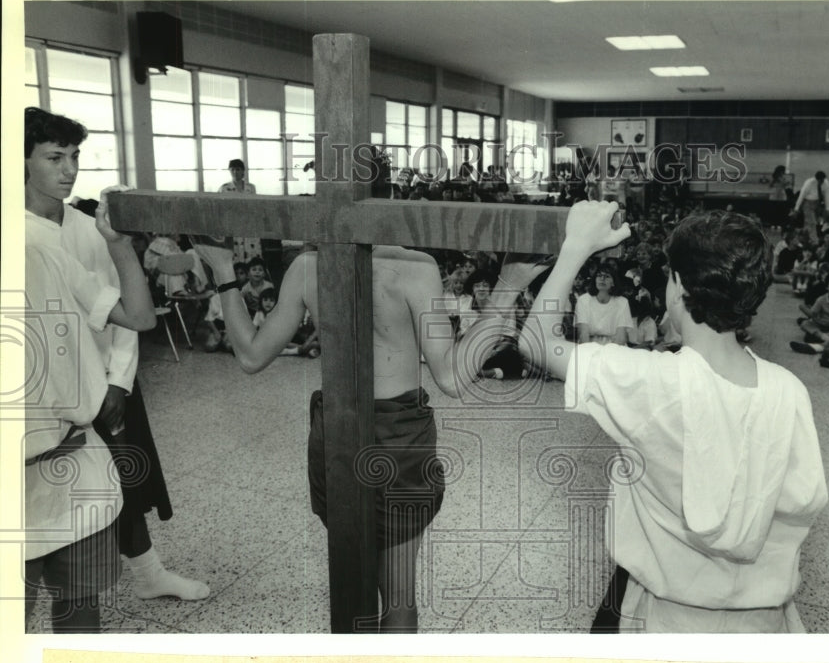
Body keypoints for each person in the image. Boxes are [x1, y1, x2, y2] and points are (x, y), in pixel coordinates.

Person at [193, 174, 546, 632]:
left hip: (337, 434)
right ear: (390, 203)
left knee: (353, 582)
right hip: (398, 439)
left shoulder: (307, 267)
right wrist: (510, 284)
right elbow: (452, 377)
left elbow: (250, 354)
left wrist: (223, 270)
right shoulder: (414, 268)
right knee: (397, 595)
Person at [521, 202, 828, 632]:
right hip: (762, 626)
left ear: (678, 285)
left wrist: (576, 249)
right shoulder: (789, 390)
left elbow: (536, 342)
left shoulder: (651, 380)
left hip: (667, 621)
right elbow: (801, 501)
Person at [23, 109, 159, 631]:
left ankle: (148, 571)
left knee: (79, 605)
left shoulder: (65, 242)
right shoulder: (30, 238)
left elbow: (135, 316)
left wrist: (116, 381)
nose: (69, 170)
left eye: (74, 157)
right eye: (55, 157)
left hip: (75, 436)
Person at [574, 263, 633, 345]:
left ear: (613, 282)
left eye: (607, 276)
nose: (602, 279)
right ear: (595, 280)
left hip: (615, 347)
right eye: (599, 276)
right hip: (589, 346)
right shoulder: (583, 300)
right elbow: (583, 335)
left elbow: (621, 337)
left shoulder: (622, 302)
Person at [218, 158, 260, 263]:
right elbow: (219, 209)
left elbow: (255, 206)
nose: (235, 172)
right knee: (235, 256)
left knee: (251, 255)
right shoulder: (224, 188)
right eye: (232, 169)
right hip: (232, 226)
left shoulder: (251, 188)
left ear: (243, 171)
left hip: (249, 225)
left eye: (238, 169)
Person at [794, 171, 829, 245]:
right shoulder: (809, 183)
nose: (821, 182)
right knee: (812, 222)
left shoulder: (826, 183)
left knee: (810, 224)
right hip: (807, 203)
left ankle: (804, 239)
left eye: (822, 180)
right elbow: (801, 195)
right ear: (816, 179)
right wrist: (796, 208)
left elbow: (827, 195)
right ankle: (814, 241)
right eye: (820, 180)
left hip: (818, 203)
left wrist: (828, 208)